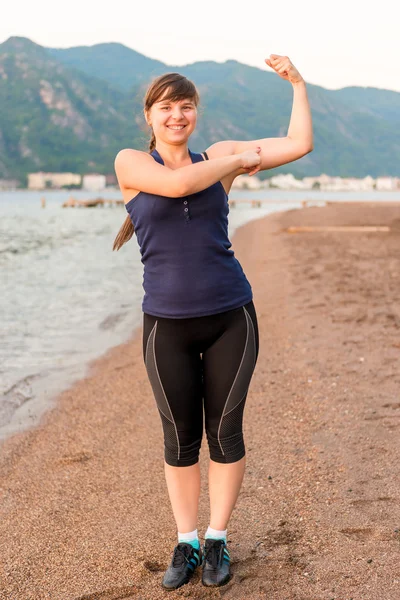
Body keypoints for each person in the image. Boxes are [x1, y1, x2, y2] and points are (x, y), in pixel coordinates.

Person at [113, 53, 313, 590]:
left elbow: (298, 145)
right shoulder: (132, 161)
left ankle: (218, 537)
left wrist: (297, 85)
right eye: (166, 107)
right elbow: (177, 187)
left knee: (224, 432)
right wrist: (233, 163)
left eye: (186, 106)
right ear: (149, 117)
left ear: (195, 112)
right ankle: (187, 540)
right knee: (179, 439)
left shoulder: (219, 154)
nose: (177, 115)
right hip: (166, 326)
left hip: (231, 317)